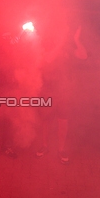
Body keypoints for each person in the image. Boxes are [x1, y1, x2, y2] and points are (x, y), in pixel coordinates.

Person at [37, 24, 87, 162]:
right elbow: (48, 59)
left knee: (63, 121)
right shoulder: (47, 45)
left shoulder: (68, 49)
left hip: (64, 92)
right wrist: (59, 43)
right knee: (46, 120)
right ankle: (44, 145)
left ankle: (61, 149)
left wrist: (76, 40)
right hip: (48, 91)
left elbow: (83, 55)